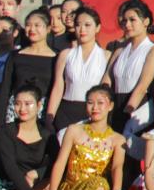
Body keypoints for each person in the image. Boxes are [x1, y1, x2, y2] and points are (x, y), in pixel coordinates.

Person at [46, 85, 127, 190]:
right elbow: (61, 162)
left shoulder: (118, 139)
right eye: (90, 103)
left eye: (100, 103)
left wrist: (117, 189)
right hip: (71, 189)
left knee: (100, 184)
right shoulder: (73, 130)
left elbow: (117, 167)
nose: (95, 107)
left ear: (110, 106)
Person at [104, 0, 154, 142]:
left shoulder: (152, 50)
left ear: (146, 21)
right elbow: (106, 81)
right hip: (115, 105)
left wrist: (128, 111)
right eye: (124, 21)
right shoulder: (119, 51)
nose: (127, 24)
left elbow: (143, 85)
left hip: (138, 107)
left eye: (132, 20)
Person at [46, 7, 109, 136]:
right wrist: (49, 116)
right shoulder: (65, 54)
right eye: (78, 25)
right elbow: (58, 86)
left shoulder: (107, 56)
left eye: (87, 25)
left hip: (94, 111)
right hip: (66, 111)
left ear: (97, 28)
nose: (82, 29)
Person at [0, 9, 58, 125]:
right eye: (28, 25)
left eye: (37, 25)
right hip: (16, 111)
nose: (32, 29)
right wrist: (0, 121)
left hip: (44, 113)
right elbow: (5, 88)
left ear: (48, 29)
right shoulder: (15, 55)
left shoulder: (57, 57)